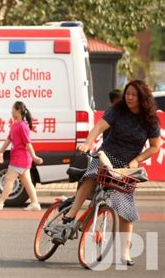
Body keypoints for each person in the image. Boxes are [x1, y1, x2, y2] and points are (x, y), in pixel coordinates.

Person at [53, 80, 162, 265]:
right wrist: (88, 143)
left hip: (126, 166)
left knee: (125, 210)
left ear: (143, 98)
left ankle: (125, 252)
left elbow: (155, 147)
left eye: (134, 95)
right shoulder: (117, 110)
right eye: (127, 93)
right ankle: (71, 214)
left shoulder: (150, 120)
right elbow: (98, 128)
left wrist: (136, 161)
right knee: (92, 176)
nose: (129, 97)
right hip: (105, 156)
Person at [0, 101, 44, 211]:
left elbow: (28, 143)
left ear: (18, 111)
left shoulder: (22, 126)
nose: (11, 112)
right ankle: (35, 203)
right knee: (27, 181)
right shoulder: (16, 125)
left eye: (12, 110)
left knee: (9, 179)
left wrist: (34, 156)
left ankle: (0, 202)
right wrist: (1, 152)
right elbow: (9, 139)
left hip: (20, 159)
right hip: (20, 158)